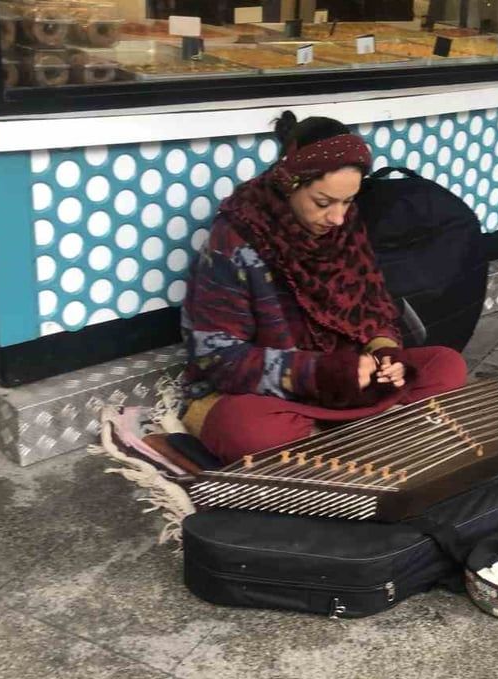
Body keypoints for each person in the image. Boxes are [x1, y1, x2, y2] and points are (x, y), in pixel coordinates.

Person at [179, 112, 468, 464]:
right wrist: (321, 373)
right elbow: (219, 358)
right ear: (289, 184)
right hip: (275, 391)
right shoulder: (235, 240)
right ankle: (363, 431)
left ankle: (330, 438)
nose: (337, 218)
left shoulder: (344, 229)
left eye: (348, 202)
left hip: (347, 382)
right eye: (323, 202)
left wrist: (384, 352)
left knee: (447, 365)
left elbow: (375, 307)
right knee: (246, 430)